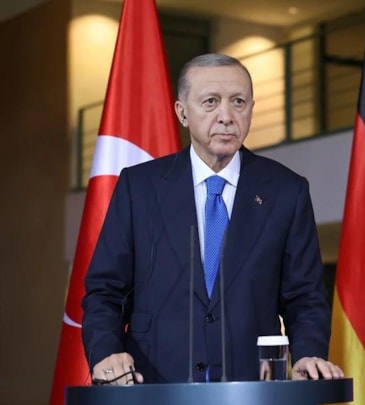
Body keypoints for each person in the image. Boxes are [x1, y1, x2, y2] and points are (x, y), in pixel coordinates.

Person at [82, 53, 343, 385]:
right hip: (154, 386)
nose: (226, 116)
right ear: (182, 112)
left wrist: (308, 353)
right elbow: (105, 290)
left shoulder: (286, 191)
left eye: (238, 102)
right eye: (210, 102)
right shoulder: (140, 187)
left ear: (251, 109)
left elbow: (305, 296)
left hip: (251, 391)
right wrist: (105, 353)